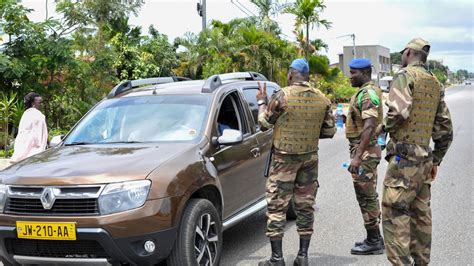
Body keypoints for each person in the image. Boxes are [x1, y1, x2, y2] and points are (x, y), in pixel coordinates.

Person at [378, 38, 453, 265]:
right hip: (424, 161)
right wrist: (435, 160)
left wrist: (382, 129)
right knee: (421, 217)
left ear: (409, 52)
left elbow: (398, 113)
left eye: (403, 53)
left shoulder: (404, 76)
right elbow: (445, 130)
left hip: (404, 160)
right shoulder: (434, 83)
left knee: (394, 214)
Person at [257, 58, 336, 266]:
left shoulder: (282, 96)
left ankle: (276, 259)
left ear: (291, 74)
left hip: (284, 160)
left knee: (276, 208)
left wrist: (261, 102)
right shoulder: (322, 99)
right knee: (305, 207)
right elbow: (329, 132)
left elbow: (264, 123)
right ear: (307, 76)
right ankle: (302, 256)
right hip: (309, 160)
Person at [344, 58, 385, 255]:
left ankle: (374, 240)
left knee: (365, 195)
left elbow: (369, 125)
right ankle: (374, 237)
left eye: (353, 73)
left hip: (365, 151)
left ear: (365, 73)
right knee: (368, 195)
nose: (350, 76)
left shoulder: (367, 93)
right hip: (367, 150)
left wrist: (358, 156)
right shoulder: (367, 92)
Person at [10, 92, 48, 163]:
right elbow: (40, 135)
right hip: (34, 154)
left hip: (21, 153)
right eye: (40, 102)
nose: (41, 105)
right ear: (33, 104)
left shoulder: (25, 114)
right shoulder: (38, 115)